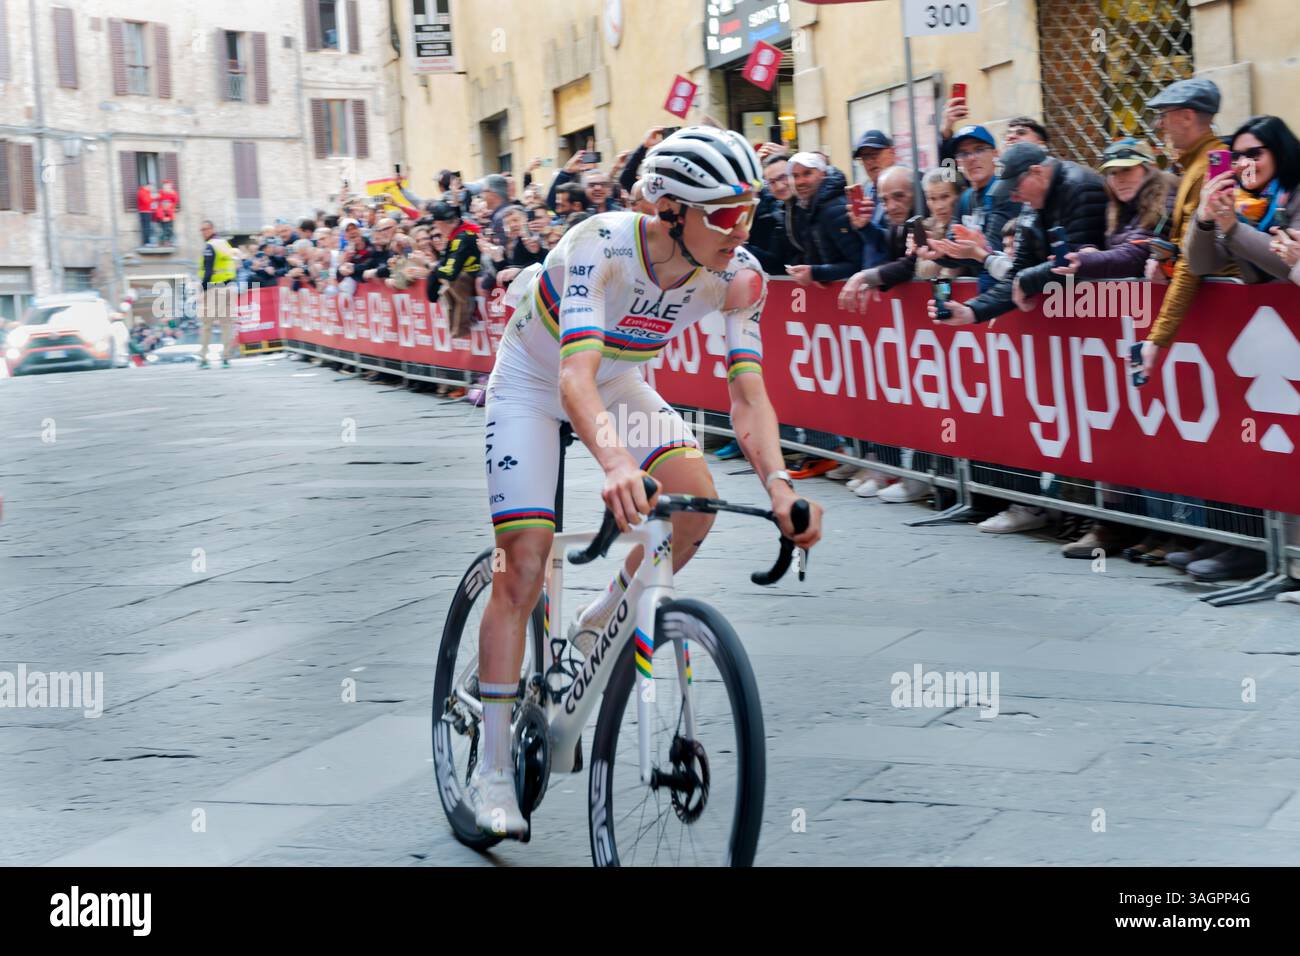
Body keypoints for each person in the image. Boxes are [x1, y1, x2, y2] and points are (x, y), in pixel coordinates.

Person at [467, 127, 824, 837]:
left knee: (697, 503)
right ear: (668, 211)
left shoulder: (740, 276)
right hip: (534, 384)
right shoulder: (597, 246)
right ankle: (493, 766)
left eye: (748, 209)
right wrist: (617, 461)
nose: (741, 229)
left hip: (619, 383)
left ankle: (602, 616)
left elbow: (747, 396)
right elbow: (572, 378)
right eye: (723, 214)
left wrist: (782, 486)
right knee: (525, 565)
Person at [1137, 78, 1227, 378]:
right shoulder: (1194, 163)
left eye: (1165, 114)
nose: (1160, 124)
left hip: (1226, 313)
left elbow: (1193, 261)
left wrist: (1157, 338)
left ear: (1188, 116)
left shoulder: (1209, 167)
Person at [1186, 114, 1300, 282]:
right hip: (1263, 305)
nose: (1242, 164)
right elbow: (1200, 266)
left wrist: (1233, 229)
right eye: (1236, 156)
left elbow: (1290, 266)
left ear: (1279, 153)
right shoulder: (1236, 200)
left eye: (1254, 154)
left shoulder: (1295, 192)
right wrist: (1204, 222)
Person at [783, 152, 863, 286]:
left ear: (823, 174)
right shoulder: (807, 207)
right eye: (795, 176)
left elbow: (858, 264)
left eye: (807, 173)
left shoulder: (834, 209)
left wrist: (815, 273)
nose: (800, 181)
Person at [847, 130, 898, 268]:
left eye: (875, 154)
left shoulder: (903, 185)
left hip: (891, 276)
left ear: (892, 153)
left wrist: (866, 227)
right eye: (864, 157)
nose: (870, 161)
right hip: (871, 276)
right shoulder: (868, 188)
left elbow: (897, 239)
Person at [198, 220, 241, 369]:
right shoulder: (225, 244)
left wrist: (202, 291)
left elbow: (208, 271)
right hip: (230, 286)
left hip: (215, 288)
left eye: (205, 229)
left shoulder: (210, 246)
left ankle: (203, 358)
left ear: (211, 229)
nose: (203, 232)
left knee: (206, 324)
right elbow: (234, 265)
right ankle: (226, 357)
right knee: (227, 324)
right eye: (201, 230)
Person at [748, 153, 798, 275]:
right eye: (772, 182)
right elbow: (777, 261)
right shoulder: (780, 212)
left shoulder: (815, 207)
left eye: (783, 177)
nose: (779, 186)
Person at [154, 180, 178, 246]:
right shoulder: (160, 193)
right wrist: (162, 217)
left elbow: (175, 202)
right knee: (163, 230)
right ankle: (162, 242)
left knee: (169, 229)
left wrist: (169, 217)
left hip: (169, 214)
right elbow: (158, 206)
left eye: (168, 186)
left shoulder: (173, 193)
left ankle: (167, 241)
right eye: (165, 186)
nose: (166, 188)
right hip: (161, 215)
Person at [137, 181, 157, 247]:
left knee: (147, 227)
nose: (152, 190)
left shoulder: (147, 192)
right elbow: (147, 201)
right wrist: (153, 197)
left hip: (147, 211)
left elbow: (150, 202)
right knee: (146, 227)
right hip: (144, 212)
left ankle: (147, 242)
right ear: (148, 186)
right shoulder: (141, 192)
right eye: (152, 188)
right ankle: (146, 243)